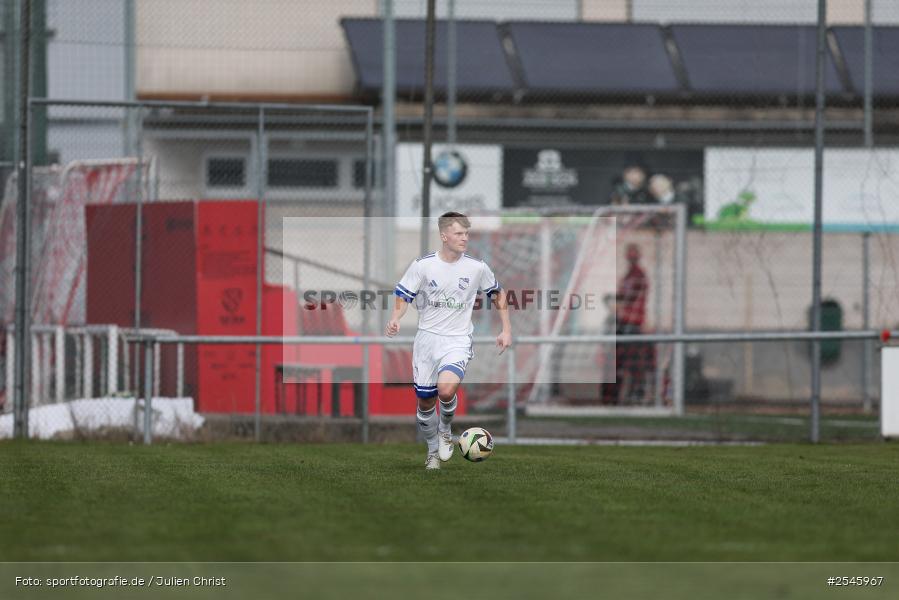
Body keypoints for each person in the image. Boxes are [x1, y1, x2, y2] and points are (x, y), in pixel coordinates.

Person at [386, 212, 512, 470]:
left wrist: (506, 329)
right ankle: (433, 448)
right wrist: (396, 317)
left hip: (457, 340)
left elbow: (498, 294)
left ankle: (445, 428)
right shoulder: (423, 265)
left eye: (466, 234)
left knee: (446, 390)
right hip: (427, 341)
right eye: (458, 233)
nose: (464, 238)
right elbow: (403, 294)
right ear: (444, 236)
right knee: (425, 401)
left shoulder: (476, 267)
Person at [601, 244, 650, 404]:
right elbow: (623, 296)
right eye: (629, 254)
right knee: (619, 359)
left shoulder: (639, 275)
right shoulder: (627, 276)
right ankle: (616, 394)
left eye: (633, 254)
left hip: (633, 322)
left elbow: (630, 297)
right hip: (624, 321)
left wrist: (618, 301)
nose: (631, 258)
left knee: (633, 360)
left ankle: (637, 392)